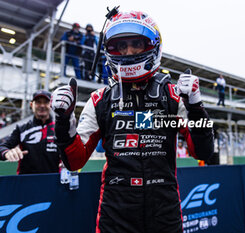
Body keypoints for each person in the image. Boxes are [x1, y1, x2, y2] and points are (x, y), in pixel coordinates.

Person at [51, 10, 214, 233]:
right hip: (116, 211)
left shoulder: (175, 95)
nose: (128, 52)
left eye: (136, 43)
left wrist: (196, 107)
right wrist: (63, 121)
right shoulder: (99, 100)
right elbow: (75, 162)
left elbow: (203, 152)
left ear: (152, 45)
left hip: (164, 210)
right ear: (110, 50)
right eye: (121, 46)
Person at [0, 90, 60, 174]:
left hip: (52, 180)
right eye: (38, 102)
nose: (42, 105)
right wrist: (7, 153)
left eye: (46, 102)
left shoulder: (59, 129)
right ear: (31, 105)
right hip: (25, 181)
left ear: (51, 105)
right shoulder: (21, 129)